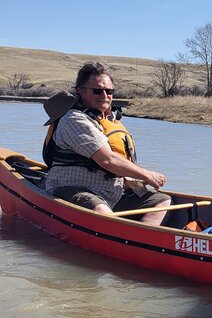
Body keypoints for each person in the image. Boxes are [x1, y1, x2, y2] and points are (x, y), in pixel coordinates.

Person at [42, 61, 171, 226]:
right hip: (73, 187)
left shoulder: (107, 119)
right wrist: (147, 175)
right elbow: (108, 160)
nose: (104, 96)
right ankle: (126, 241)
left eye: (109, 91)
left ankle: (144, 239)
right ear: (80, 91)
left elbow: (115, 163)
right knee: (103, 213)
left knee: (162, 201)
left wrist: (132, 179)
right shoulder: (74, 120)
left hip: (112, 191)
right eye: (97, 91)